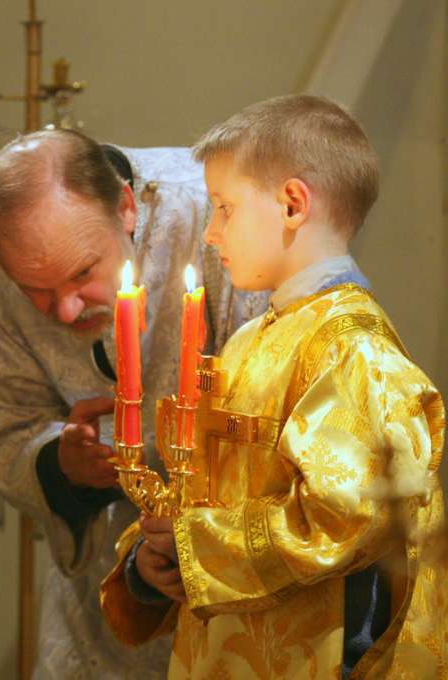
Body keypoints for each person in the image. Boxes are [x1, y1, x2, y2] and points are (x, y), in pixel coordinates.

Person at [101, 94, 446, 679]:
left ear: (292, 205)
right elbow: (211, 493)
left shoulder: (351, 349)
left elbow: (347, 518)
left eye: (224, 207)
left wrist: (197, 546)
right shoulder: (250, 339)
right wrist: (153, 553)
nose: (210, 233)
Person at [0, 129, 266, 678]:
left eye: (81, 274)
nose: (66, 311)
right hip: (99, 613)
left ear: (124, 207)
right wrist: (58, 464)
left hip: (239, 597)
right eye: (37, 291)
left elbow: (277, 397)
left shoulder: (216, 213)